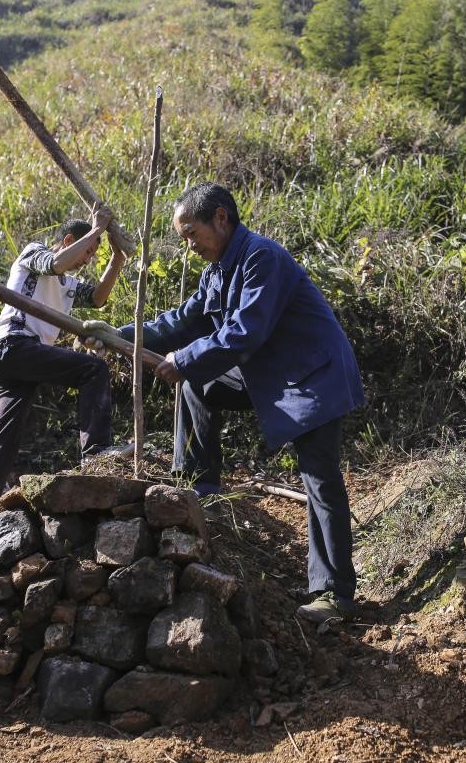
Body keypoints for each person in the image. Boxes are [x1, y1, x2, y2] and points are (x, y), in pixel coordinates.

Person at [117, 182, 364, 623]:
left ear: (221, 219)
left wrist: (186, 357)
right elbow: (182, 320)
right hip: (270, 374)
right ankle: (199, 487)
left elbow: (246, 331)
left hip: (312, 375)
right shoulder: (216, 270)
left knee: (319, 479)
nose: (188, 245)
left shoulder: (260, 258)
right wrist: (122, 335)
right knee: (197, 384)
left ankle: (335, 593)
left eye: (191, 233)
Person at [0, 207, 125, 532]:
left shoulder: (68, 284)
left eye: (92, 255)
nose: (87, 259)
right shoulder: (34, 255)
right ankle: (96, 453)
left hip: (22, 361)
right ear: (68, 241)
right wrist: (96, 229)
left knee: (4, 443)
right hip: (14, 344)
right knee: (93, 370)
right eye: (87, 251)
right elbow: (55, 263)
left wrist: (117, 257)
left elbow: (97, 298)